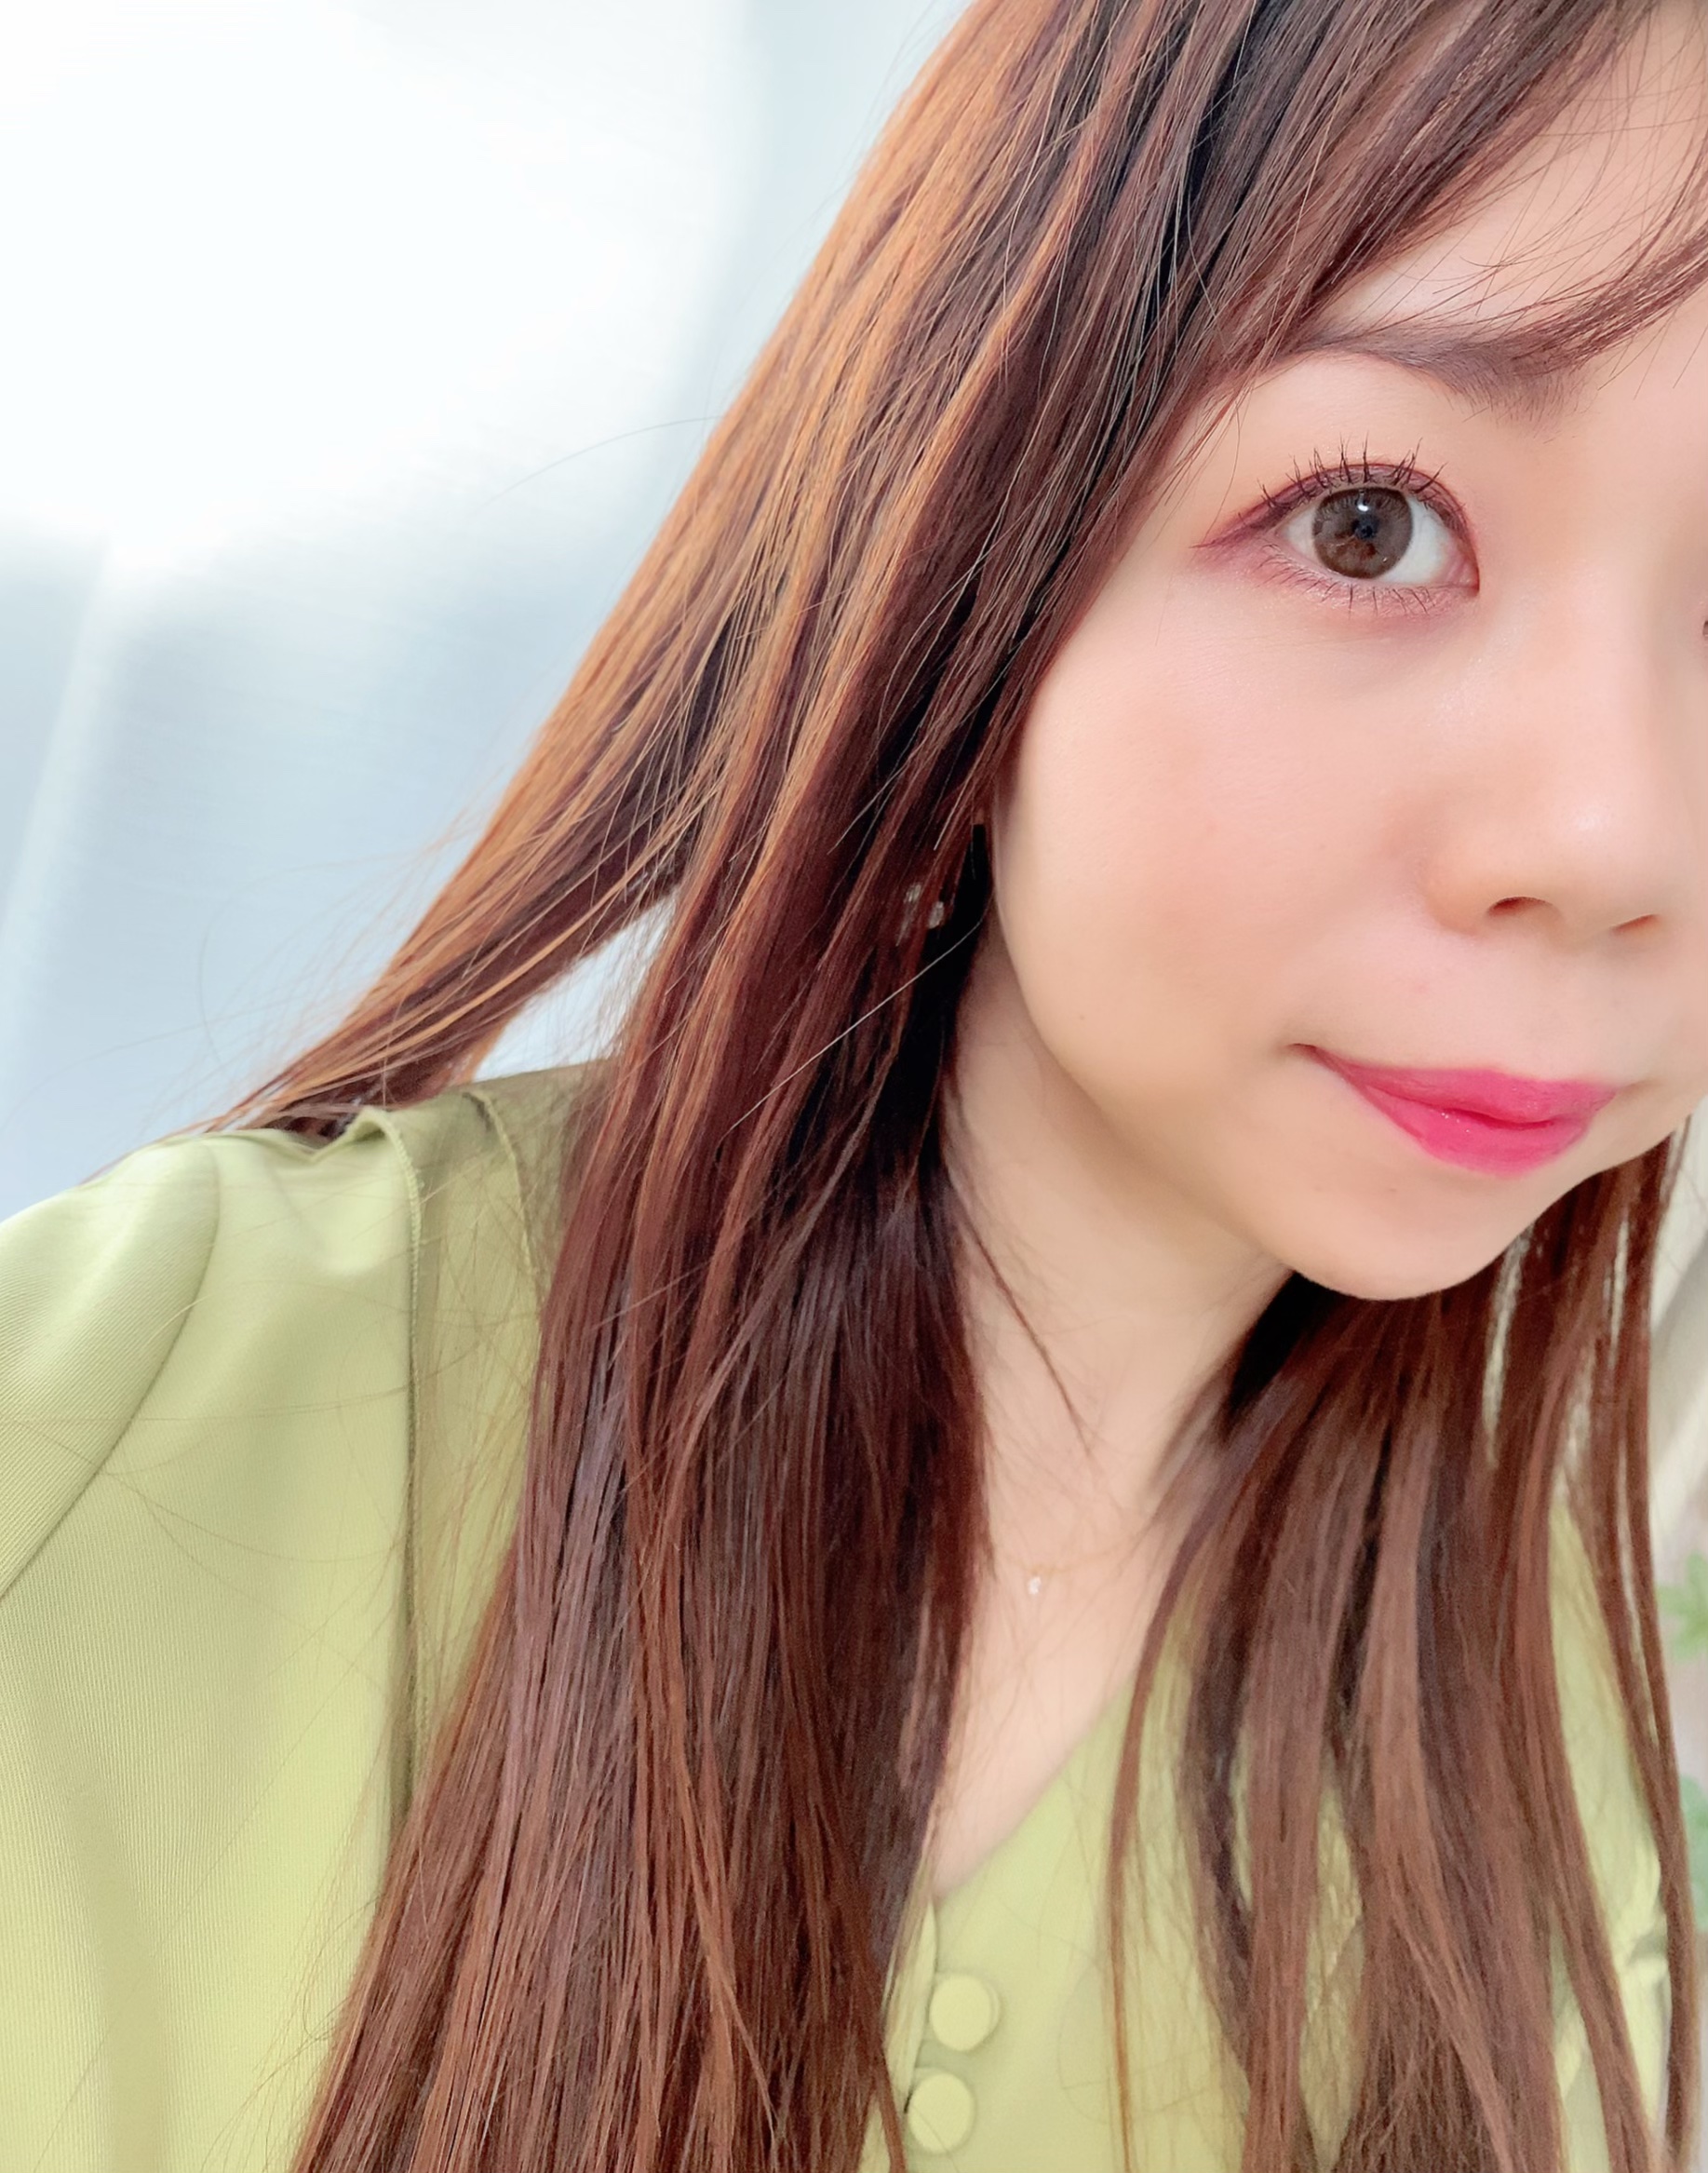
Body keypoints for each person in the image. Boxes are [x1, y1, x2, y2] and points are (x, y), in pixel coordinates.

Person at [3, 0, 1707, 2166]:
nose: (1615, 839)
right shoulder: (141, 1418)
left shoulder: (1549, 1771)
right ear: (979, 527)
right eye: (1367, 528)